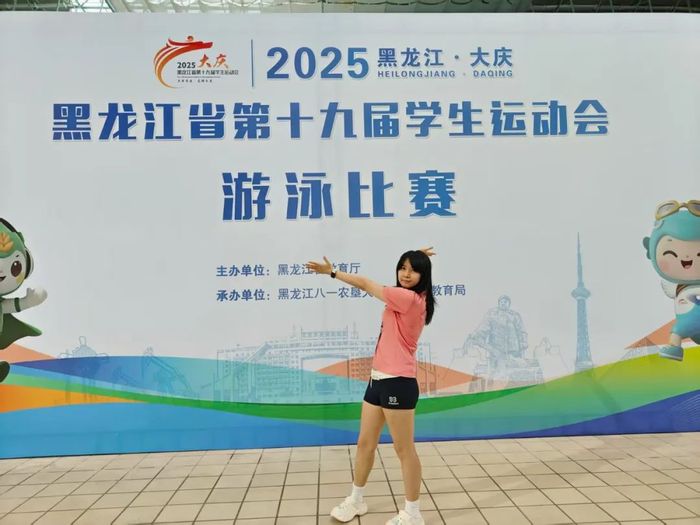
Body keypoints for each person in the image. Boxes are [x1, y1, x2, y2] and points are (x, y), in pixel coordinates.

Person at [306, 248, 436, 525]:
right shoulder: (410, 295)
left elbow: (365, 283)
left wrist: (332, 272)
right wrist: (419, 255)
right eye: (403, 267)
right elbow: (409, 277)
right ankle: (356, 500)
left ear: (423, 276)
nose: (406, 274)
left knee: (404, 450)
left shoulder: (408, 298)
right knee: (365, 444)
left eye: (413, 270)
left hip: (398, 382)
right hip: (377, 379)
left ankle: (413, 514)